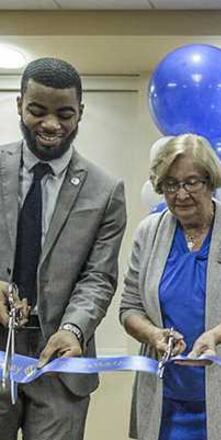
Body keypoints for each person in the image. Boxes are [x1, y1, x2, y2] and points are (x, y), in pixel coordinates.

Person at [0, 57, 127, 439]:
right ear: (19, 103)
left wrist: (74, 328)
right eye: (37, 110)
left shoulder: (105, 191)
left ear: (81, 113)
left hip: (60, 360)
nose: (51, 125)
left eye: (65, 114)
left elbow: (99, 277)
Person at [120, 134, 221, 440]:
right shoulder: (148, 233)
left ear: (211, 180)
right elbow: (130, 307)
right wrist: (153, 335)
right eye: (171, 184)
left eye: (192, 182)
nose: (181, 194)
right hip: (166, 398)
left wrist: (216, 335)